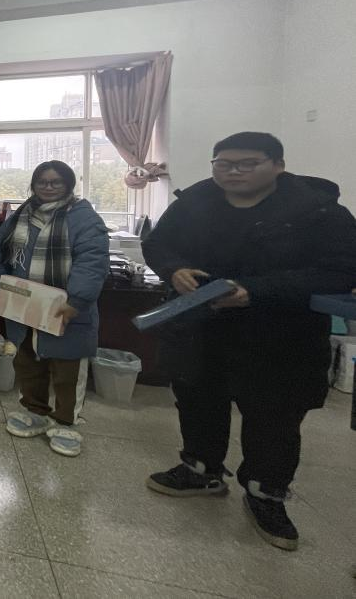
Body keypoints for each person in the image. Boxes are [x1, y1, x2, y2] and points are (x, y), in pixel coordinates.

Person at [141, 132, 356, 551]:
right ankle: (201, 469)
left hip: (280, 334)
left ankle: (265, 495)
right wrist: (174, 269)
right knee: (198, 399)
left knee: (274, 417)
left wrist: (255, 291)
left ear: (277, 165)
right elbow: (158, 244)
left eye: (247, 163)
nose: (233, 172)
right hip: (202, 327)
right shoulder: (195, 201)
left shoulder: (317, 211)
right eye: (223, 164)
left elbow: (340, 271)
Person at [0, 161, 109, 458]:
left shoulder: (83, 217)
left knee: (67, 369)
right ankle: (35, 411)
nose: (48, 187)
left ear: (68, 185)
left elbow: (92, 262)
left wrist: (77, 300)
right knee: (28, 361)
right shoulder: (20, 215)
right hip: (23, 306)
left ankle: (66, 421)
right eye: (42, 181)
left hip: (64, 308)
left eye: (56, 182)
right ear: (33, 184)